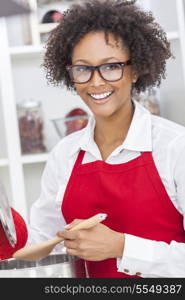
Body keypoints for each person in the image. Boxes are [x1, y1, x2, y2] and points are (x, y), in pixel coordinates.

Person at [17, 0, 185, 277]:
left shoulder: (175, 147)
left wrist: (121, 247)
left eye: (111, 66)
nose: (96, 82)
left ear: (136, 69)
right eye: (83, 68)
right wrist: (9, 229)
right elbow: (39, 241)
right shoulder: (65, 154)